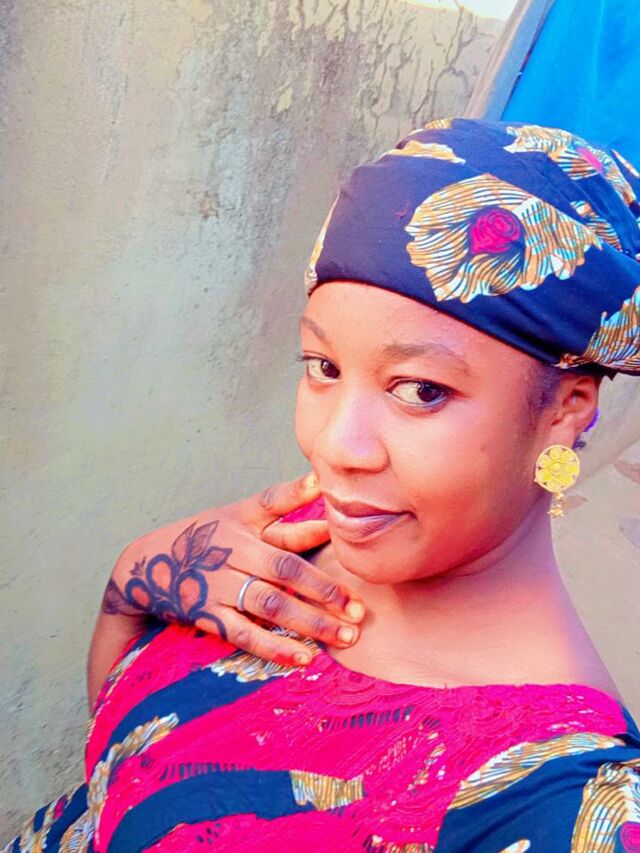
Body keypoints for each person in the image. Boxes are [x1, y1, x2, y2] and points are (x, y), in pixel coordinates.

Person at [5, 118, 640, 852]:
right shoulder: (287, 541)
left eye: (420, 390)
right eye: (324, 368)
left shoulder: (561, 801)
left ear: (566, 411)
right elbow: (117, 781)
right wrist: (133, 583)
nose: (337, 445)